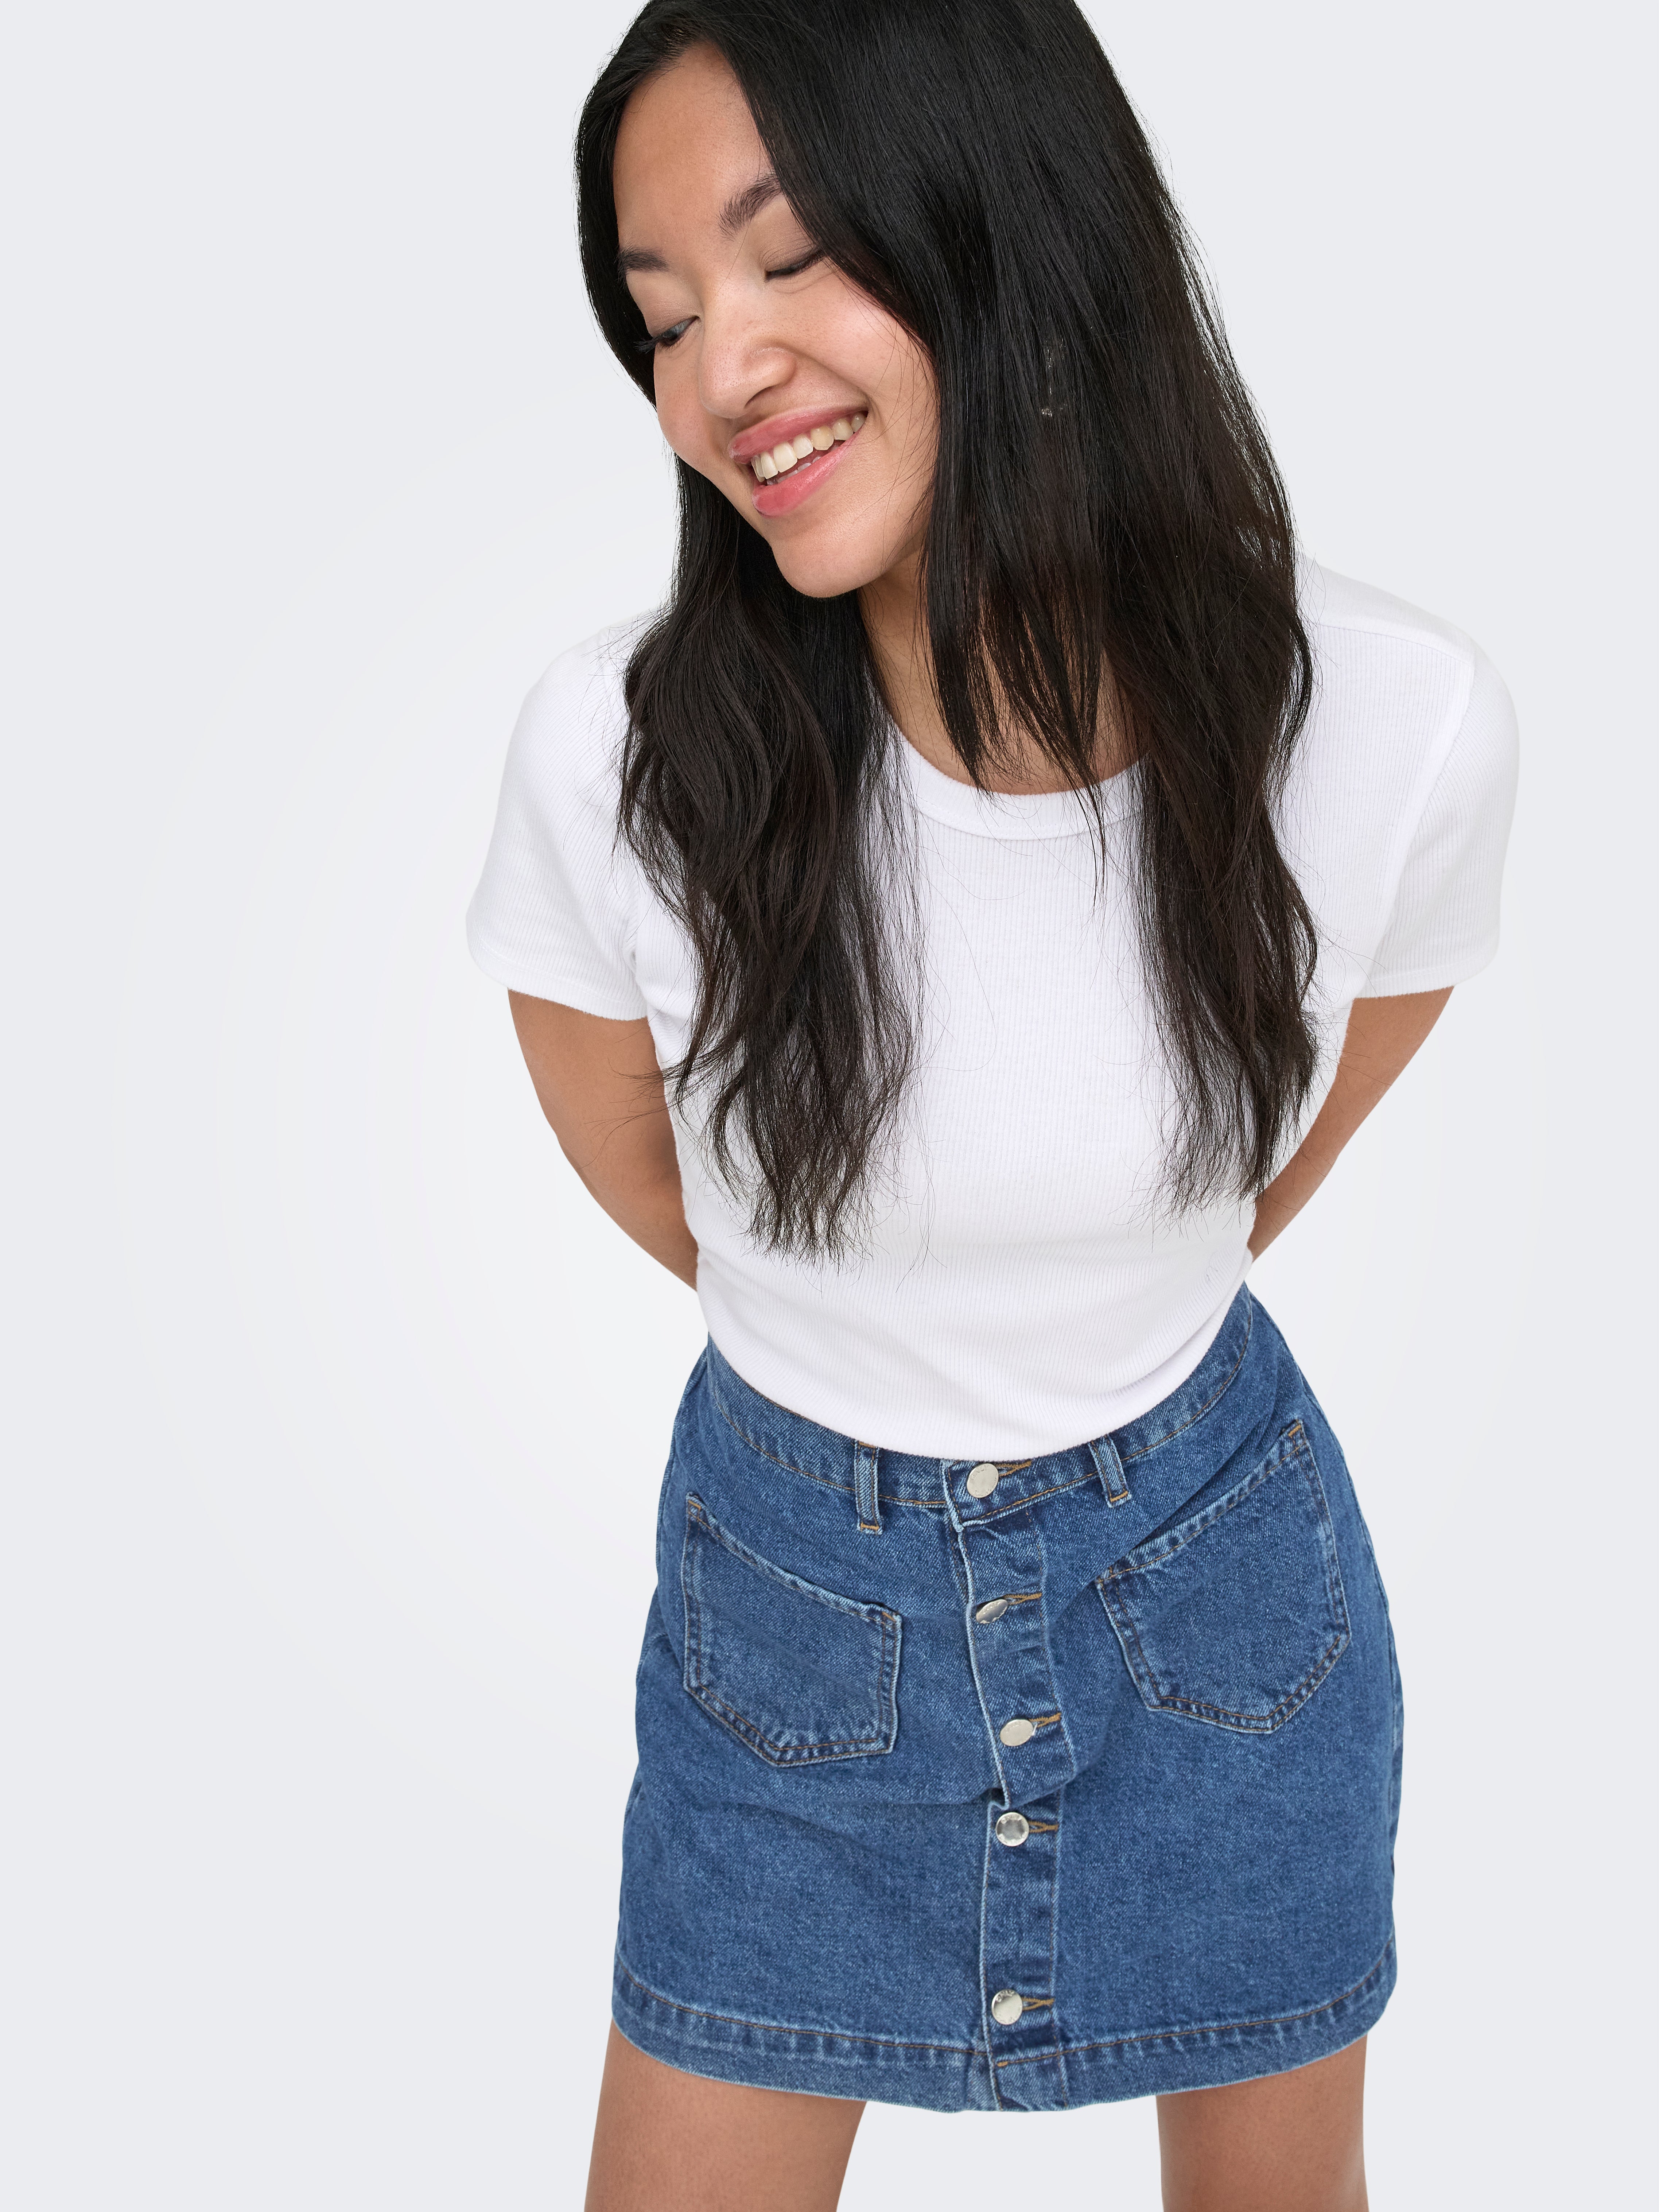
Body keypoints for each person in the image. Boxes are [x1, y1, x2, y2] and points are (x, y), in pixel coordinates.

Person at [466, 4, 1518, 2204]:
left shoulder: (1392, 721)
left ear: (1013, 220)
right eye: (663, 318)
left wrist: (1083, 1277)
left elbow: (1282, 1139)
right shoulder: (617, 756)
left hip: (1219, 1601)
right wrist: (880, 1316)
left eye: (787, 257)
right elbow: (657, 1172)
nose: (721, 371)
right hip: (789, 1618)